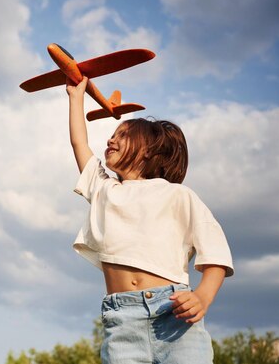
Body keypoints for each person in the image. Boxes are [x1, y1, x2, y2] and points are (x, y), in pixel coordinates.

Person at [66, 76, 234, 363]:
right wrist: (75, 97)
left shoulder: (178, 196)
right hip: (122, 323)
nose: (111, 139)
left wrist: (203, 297)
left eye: (123, 135)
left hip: (174, 317)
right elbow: (79, 143)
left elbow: (216, 255)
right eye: (113, 135)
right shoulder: (105, 189)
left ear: (148, 151)